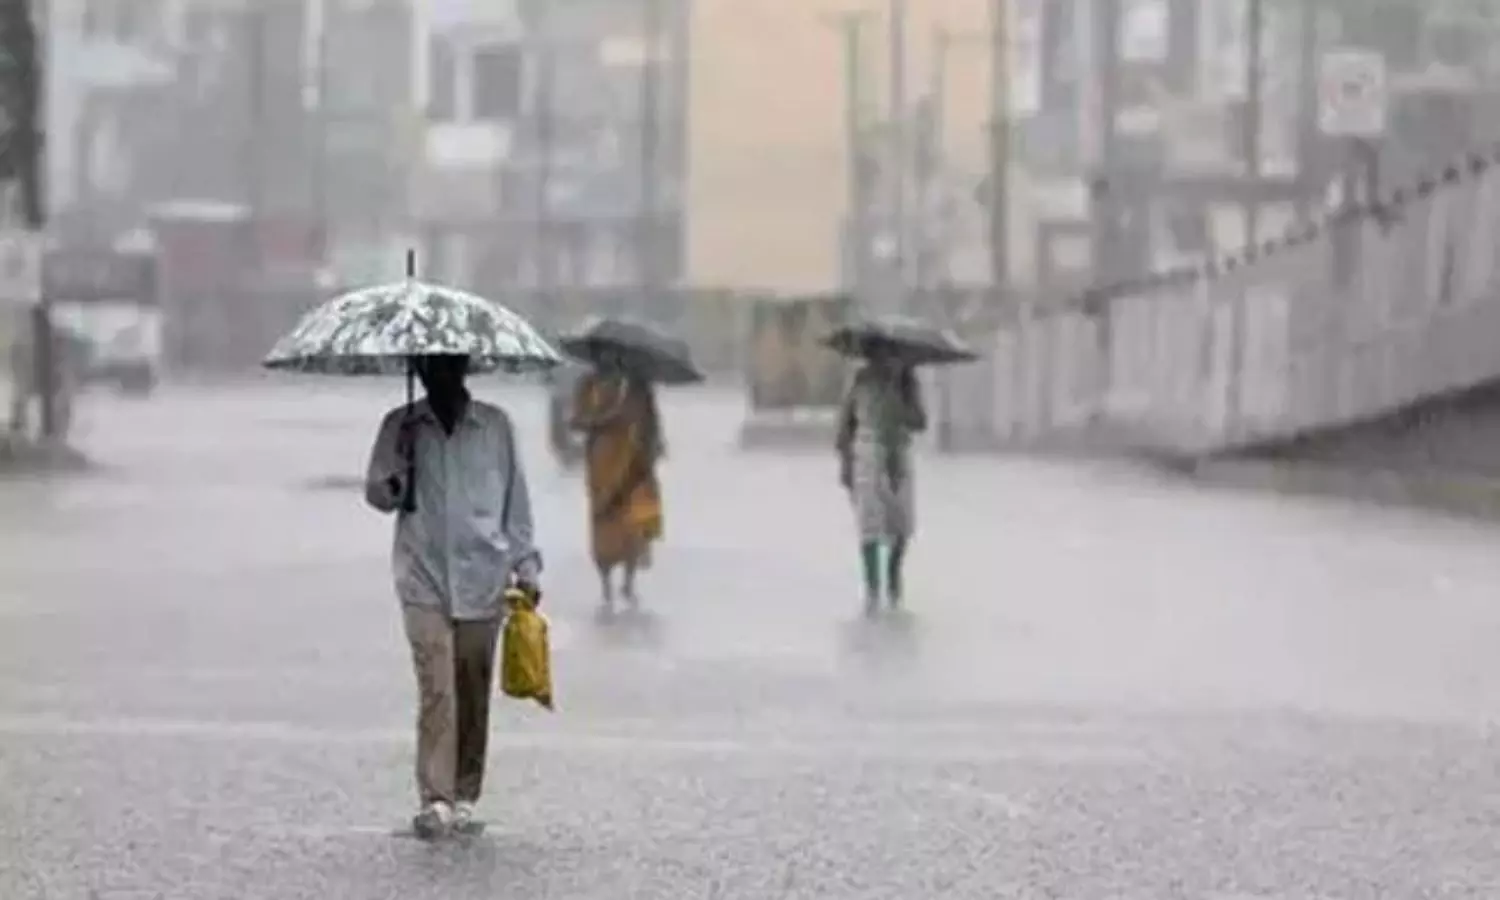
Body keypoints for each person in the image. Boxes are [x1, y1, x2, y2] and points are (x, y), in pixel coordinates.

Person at [364, 353, 542, 839]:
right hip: (422, 578)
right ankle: (435, 797)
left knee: (471, 689)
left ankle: (465, 792)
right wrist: (398, 470)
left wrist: (526, 566)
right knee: (436, 687)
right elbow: (378, 495)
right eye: (426, 368)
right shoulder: (401, 426)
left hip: (484, 578)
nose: (436, 377)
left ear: (463, 368)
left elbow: (516, 502)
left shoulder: (496, 428)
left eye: (445, 367)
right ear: (417, 371)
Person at [570, 351, 664, 611]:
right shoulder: (588, 385)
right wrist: (605, 420)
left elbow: (651, 422)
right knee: (604, 525)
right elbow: (576, 421)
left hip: (634, 465)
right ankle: (606, 583)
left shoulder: (638, 387)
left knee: (634, 524)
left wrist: (652, 448)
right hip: (601, 467)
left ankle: (629, 581)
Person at [835, 350, 927, 615]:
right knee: (870, 522)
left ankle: (894, 576)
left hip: (899, 455)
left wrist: (902, 399)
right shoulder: (861, 381)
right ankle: (873, 589)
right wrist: (845, 463)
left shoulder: (908, 383)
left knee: (902, 524)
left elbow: (920, 422)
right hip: (867, 453)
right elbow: (845, 424)